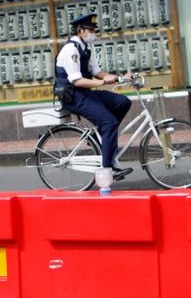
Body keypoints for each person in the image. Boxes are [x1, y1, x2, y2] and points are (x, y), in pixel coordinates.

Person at [54, 13, 133, 179]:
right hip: (72, 96)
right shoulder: (71, 50)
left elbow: (96, 72)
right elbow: (76, 81)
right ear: (81, 31)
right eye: (90, 29)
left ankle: (102, 134)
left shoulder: (86, 48)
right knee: (110, 122)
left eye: (93, 29)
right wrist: (103, 83)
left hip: (84, 92)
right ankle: (108, 169)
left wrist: (120, 78)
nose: (93, 32)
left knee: (123, 102)